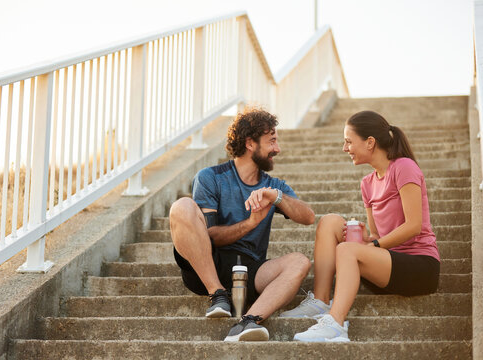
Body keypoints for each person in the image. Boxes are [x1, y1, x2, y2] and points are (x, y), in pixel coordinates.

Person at [280, 110, 440, 342]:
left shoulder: (404, 167)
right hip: (385, 265)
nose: (345, 148)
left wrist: (372, 244)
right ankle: (321, 301)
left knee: (346, 250)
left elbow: (414, 226)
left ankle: (335, 324)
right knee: (329, 222)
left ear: (370, 142)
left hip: (419, 267)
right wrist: (367, 238)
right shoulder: (367, 183)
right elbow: (376, 234)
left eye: (348, 141)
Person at [169, 108, 315, 342]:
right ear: (250, 143)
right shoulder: (210, 177)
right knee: (182, 207)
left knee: (300, 262)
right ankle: (217, 295)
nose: (277, 149)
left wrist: (276, 197)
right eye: (272, 141)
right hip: (207, 263)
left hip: (249, 271)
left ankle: (247, 322)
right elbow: (210, 236)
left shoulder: (273, 185)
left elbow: (308, 217)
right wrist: (250, 224)